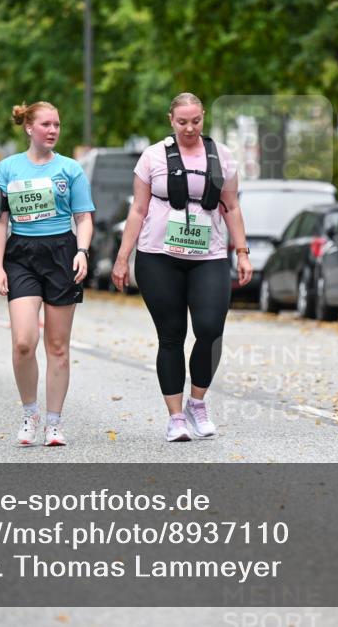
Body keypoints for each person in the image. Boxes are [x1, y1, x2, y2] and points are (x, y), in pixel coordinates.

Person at [111, 92, 253, 442]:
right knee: (171, 336)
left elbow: (231, 206)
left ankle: (197, 402)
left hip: (209, 256)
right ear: (171, 121)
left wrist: (242, 252)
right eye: (182, 122)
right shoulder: (153, 157)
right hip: (158, 256)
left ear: (204, 118)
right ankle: (175, 417)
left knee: (210, 329)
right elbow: (138, 210)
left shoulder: (224, 157)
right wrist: (122, 257)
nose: (190, 128)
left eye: (196, 121)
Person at [0, 101, 94, 447]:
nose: (53, 130)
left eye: (57, 125)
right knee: (23, 342)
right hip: (21, 255)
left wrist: (82, 250)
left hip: (62, 253)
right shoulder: (6, 169)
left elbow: (84, 217)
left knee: (58, 345)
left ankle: (53, 422)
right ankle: (30, 412)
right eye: (46, 124)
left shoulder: (71, 169)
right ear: (29, 128)